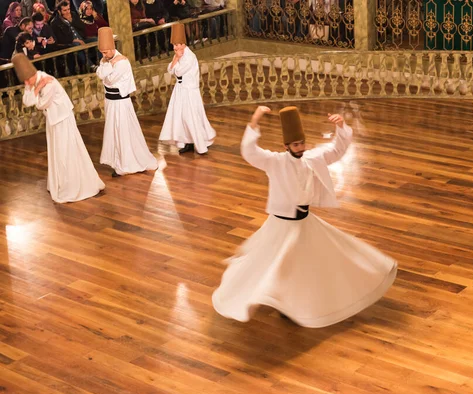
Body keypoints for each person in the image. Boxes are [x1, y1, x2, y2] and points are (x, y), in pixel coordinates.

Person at [212, 106, 397, 328]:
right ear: (286, 146)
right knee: (275, 264)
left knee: (308, 264)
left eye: (302, 143)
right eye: (296, 145)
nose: (301, 148)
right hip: (281, 225)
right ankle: (271, 299)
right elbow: (249, 151)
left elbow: (337, 150)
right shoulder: (275, 161)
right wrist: (256, 118)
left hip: (304, 223)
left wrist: (340, 126)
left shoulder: (313, 158)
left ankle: (293, 302)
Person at [13, 53, 105, 203]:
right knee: (57, 150)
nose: (26, 84)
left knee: (66, 149)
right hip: (53, 120)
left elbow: (42, 104)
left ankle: (73, 182)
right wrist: (34, 89)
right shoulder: (30, 82)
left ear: (33, 74)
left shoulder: (48, 82)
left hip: (62, 118)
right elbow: (27, 101)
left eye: (27, 81)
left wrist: (37, 91)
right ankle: (60, 180)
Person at [96, 27, 158, 177]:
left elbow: (110, 79)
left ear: (113, 47)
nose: (104, 55)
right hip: (110, 102)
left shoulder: (122, 62)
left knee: (123, 130)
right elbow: (100, 74)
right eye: (102, 53)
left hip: (121, 103)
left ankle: (127, 163)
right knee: (113, 132)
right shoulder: (107, 60)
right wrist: (107, 65)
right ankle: (117, 161)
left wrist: (106, 68)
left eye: (106, 52)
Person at [159, 22, 216, 154]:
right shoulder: (178, 55)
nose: (175, 47)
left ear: (184, 44)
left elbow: (177, 72)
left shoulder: (189, 56)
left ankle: (201, 143)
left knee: (191, 116)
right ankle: (188, 141)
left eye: (178, 45)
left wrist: (176, 61)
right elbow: (170, 70)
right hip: (180, 89)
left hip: (189, 90)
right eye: (174, 45)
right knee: (181, 117)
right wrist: (175, 59)